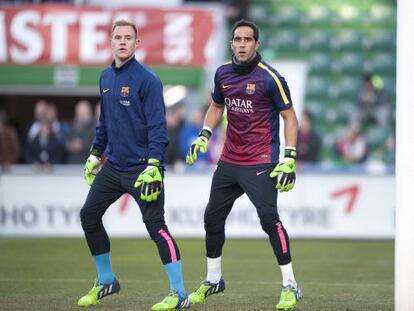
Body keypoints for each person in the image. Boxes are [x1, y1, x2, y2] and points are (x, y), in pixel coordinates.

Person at [185, 19, 302, 310]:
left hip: (261, 160)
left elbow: (290, 117)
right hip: (229, 160)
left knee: (268, 220)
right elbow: (216, 105)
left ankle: (290, 284)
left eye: (247, 40)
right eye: (237, 39)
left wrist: (289, 157)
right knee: (212, 219)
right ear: (232, 43)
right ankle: (214, 279)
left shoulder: (269, 78)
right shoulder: (222, 72)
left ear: (256, 44)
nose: (241, 44)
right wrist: (204, 135)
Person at [77, 20, 189, 311]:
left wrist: (154, 165)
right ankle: (106, 280)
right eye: (118, 37)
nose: (123, 41)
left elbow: (158, 128)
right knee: (89, 215)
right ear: (111, 42)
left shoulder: (147, 80)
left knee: (156, 228)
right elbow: (104, 123)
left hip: (143, 169)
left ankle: (179, 294)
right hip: (113, 167)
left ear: (137, 44)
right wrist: (94, 153)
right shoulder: (105, 77)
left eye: (128, 38)